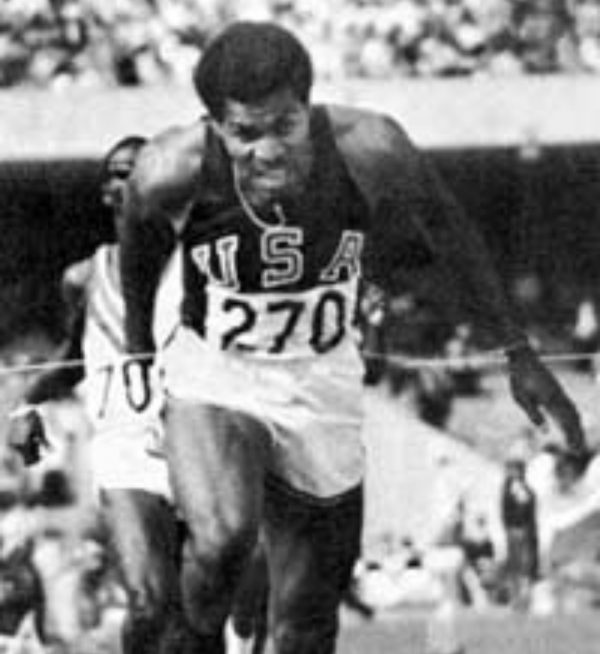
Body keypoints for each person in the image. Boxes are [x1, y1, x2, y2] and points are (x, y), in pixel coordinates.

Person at [118, 21, 586, 654]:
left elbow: (451, 233)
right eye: (245, 133)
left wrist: (518, 353)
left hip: (322, 377)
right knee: (224, 537)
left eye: (284, 126)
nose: (268, 151)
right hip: (218, 371)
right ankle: (191, 639)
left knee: (307, 624)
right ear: (215, 126)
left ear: (309, 108)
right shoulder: (170, 169)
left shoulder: (371, 147)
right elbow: (138, 240)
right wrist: (139, 344)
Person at [9, 136, 267, 654]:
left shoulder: (211, 266)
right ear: (107, 193)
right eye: (120, 174)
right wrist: (27, 405)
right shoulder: (84, 278)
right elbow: (74, 357)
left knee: (212, 603)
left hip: (201, 446)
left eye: (143, 172)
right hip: (127, 451)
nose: (131, 183)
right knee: (149, 604)